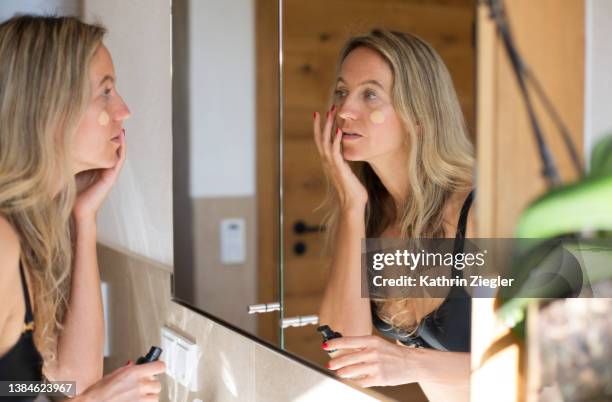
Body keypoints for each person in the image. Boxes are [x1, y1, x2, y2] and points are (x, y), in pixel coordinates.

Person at [0, 15, 164, 401]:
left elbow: (70, 379)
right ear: (49, 109)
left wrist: (83, 217)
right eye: (105, 92)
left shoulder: (29, 230)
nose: (124, 110)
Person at [315, 29, 475, 402]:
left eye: (370, 94)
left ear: (419, 114)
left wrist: (411, 363)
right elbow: (344, 352)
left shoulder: (477, 211)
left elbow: (550, 360)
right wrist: (351, 208)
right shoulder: (375, 216)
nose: (345, 111)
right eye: (342, 92)